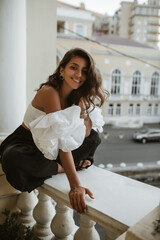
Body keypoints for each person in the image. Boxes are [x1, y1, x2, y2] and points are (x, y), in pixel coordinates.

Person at [0, 48, 107, 214]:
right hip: (27, 143)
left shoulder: (77, 97)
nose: (79, 74)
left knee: (94, 137)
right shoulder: (50, 92)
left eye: (84, 71)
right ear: (61, 70)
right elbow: (62, 140)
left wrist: (83, 108)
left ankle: (57, 166)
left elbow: (84, 135)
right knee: (13, 159)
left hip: (53, 148)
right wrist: (76, 186)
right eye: (74, 67)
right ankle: (64, 167)